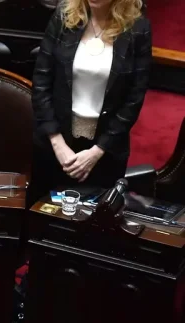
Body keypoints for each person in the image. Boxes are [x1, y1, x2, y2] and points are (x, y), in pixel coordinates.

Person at [30, 0, 151, 205]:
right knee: (43, 218)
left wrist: (97, 152)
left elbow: (134, 98)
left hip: (106, 150)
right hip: (55, 144)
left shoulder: (138, 28)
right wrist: (58, 144)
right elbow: (41, 81)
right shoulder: (64, 16)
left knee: (93, 224)